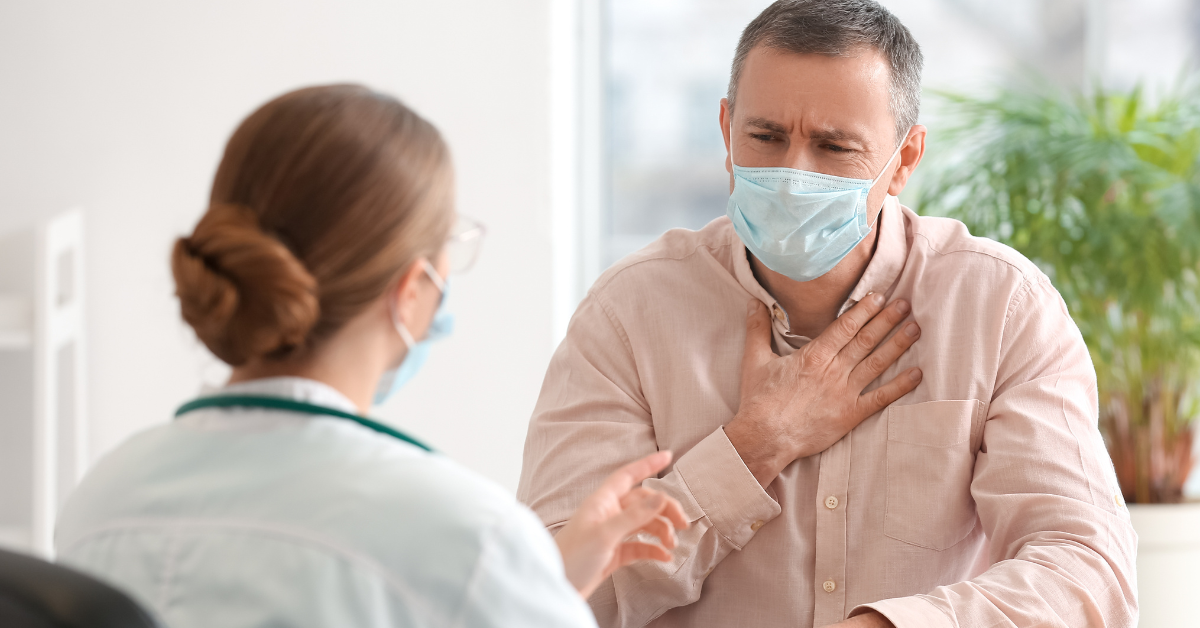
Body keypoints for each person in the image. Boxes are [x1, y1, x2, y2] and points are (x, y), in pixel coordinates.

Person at [516, 1, 1138, 627]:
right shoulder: (629, 313)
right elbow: (547, 599)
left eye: (834, 146)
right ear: (727, 131)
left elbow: (1087, 569)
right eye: (765, 136)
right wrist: (756, 444)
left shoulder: (999, 307)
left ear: (904, 160)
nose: (793, 173)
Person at [54, 84, 689, 628]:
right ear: (412, 292)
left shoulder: (97, 500)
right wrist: (520, 585)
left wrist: (536, 584)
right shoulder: (465, 537)